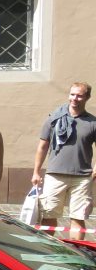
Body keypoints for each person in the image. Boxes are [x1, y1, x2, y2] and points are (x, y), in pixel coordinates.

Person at [31, 82, 96, 239]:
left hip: (82, 177)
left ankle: (77, 251)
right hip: (55, 174)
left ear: (87, 97)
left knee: (78, 217)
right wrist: (36, 172)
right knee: (48, 215)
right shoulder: (53, 119)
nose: (75, 98)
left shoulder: (93, 122)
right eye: (72, 94)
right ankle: (48, 250)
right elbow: (42, 147)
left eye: (79, 95)